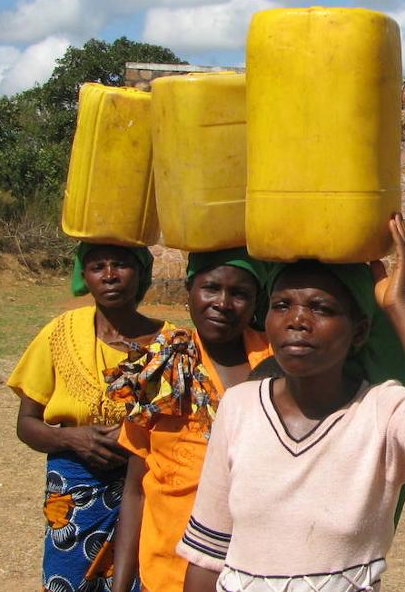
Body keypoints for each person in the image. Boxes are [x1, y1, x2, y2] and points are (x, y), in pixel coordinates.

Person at [176, 214, 405, 592]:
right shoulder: (240, 407)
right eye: (281, 305)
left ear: (359, 331)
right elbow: (208, 558)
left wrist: (399, 309)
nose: (297, 320)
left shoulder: (382, 412)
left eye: (321, 308)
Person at [107, 248, 274, 592]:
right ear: (189, 290)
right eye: (211, 288)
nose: (223, 303)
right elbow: (137, 488)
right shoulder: (161, 369)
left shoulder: (278, 365)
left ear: (257, 300)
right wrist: (121, 585)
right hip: (169, 572)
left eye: (240, 293)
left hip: (258, 572)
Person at [8, 242, 165, 592]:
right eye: (97, 266)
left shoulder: (169, 345)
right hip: (74, 501)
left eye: (121, 265)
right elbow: (26, 424)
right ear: (85, 276)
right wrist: (71, 438)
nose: (110, 276)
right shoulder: (60, 333)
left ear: (141, 274)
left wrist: (132, 439)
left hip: (145, 492)